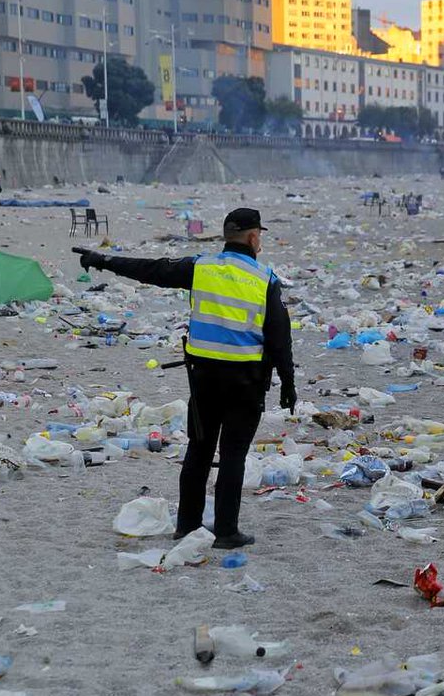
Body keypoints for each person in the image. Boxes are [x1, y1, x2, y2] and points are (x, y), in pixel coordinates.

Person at [73, 208, 296, 549]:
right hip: (246, 383)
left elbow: (151, 269)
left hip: (204, 380)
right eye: (260, 235)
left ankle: (187, 526)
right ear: (253, 237)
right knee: (233, 456)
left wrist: (103, 260)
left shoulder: (200, 267)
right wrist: (288, 384)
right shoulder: (265, 279)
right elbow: (280, 338)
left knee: (199, 451)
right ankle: (225, 532)